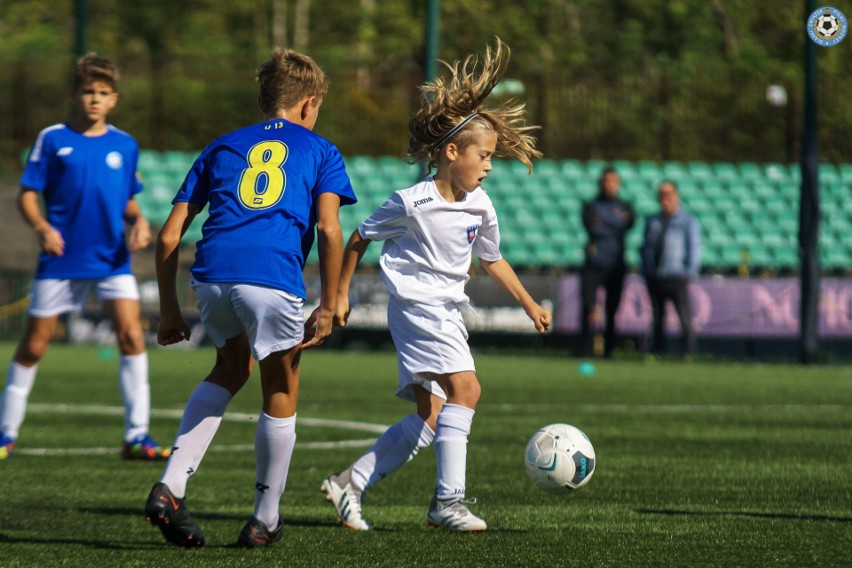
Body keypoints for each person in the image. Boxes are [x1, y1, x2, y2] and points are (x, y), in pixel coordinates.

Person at [320, 39, 551, 533]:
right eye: (483, 156)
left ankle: (350, 483)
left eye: (492, 158)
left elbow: (492, 259)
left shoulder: (480, 205)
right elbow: (359, 237)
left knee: (431, 417)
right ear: (451, 152)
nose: (489, 166)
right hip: (418, 307)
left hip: (445, 311)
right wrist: (338, 294)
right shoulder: (411, 201)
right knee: (467, 389)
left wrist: (530, 303)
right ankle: (448, 502)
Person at [144, 48, 355, 548]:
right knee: (281, 385)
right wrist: (328, 304)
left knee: (231, 367)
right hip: (271, 276)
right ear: (307, 104)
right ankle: (265, 517)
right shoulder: (321, 150)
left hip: (212, 274)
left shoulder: (221, 146)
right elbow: (328, 229)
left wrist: (170, 310)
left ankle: (170, 487)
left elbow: (169, 236)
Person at [0, 54, 167, 461]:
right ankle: (5, 433)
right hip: (61, 260)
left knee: (131, 337)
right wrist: (42, 228)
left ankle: (137, 436)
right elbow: (27, 193)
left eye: (103, 93)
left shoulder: (125, 144)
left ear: (114, 99)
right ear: (75, 94)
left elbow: (128, 199)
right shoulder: (52, 138)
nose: (95, 99)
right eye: (88, 91)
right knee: (35, 345)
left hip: (112, 260)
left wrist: (141, 221)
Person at [639, 181, 701, 357]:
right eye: (662, 194)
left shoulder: (688, 220)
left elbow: (694, 247)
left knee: (684, 316)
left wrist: (689, 272)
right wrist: (646, 269)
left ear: (676, 195)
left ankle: (688, 352)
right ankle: (659, 351)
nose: (665, 198)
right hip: (655, 276)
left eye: (669, 194)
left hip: (677, 275)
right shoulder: (652, 220)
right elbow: (646, 246)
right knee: (657, 317)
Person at [579, 166, 634, 358]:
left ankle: (609, 350)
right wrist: (615, 222)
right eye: (606, 181)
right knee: (588, 307)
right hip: (593, 265)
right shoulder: (590, 205)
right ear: (601, 183)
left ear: (618, 184)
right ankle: (585, 348)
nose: (609, 185)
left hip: (616, 266)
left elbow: (626, 226)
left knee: (612, 309)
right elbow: (594, 228)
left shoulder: (626, 206)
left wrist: (604, 221)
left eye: (613, 181)